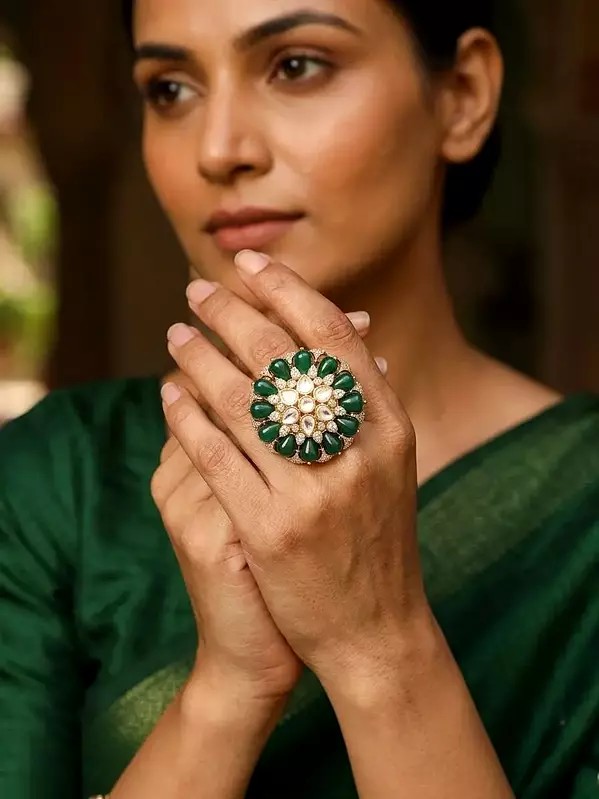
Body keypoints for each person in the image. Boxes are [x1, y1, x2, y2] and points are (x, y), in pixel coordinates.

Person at [0, 0, 597, 797]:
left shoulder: (580, 504)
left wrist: (378, 644)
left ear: (462, 97)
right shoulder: (58, 479)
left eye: (295, 66)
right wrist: (226, 690)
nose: (218, 149)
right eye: (170, 88)